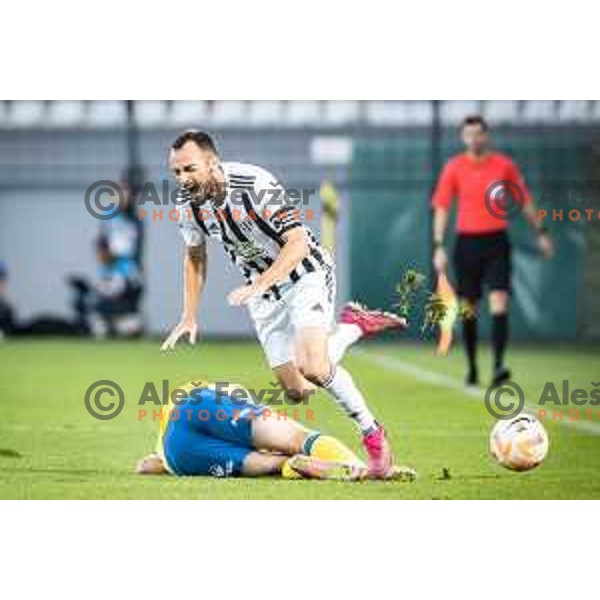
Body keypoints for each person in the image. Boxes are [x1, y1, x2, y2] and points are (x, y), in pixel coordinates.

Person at [161, 131, 407, 478]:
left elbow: (297, 242)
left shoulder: (255, 183)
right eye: (176, 173)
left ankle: (372, 433)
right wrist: (189, 315)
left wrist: (262, 280)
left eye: (189, 169)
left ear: (212, 162)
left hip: (304, 273)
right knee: (298, 391)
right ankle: (353, 325)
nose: (183, 180)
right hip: (262, 294)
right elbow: (195, 258)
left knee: (315, 368)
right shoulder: (188, 206)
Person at [431, 115, 554, 386]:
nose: (474, 139)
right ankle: (473, 367)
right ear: (463, 138)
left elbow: (523, 200)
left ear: (486, 136)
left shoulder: (503, 166)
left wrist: (541, 232)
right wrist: (439, 245)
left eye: (478, 134)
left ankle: (498, 366)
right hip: (467, 244)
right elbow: (442, 207)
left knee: (499, 300)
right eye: (469, 134)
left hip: (497, 242)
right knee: (470, 307)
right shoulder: (454, 167)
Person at [136, 379, 417, 481]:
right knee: (299, 437)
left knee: (273, 463)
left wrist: (159, 463)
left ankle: (290, 465)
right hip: (196, 402)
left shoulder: (163, 449)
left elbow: (145, 465)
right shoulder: (234, 393)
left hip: (177, 454)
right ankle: (359, 467)